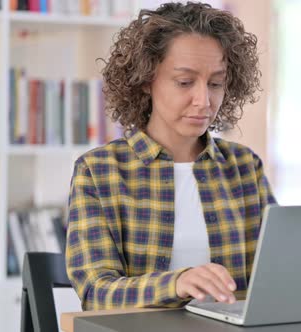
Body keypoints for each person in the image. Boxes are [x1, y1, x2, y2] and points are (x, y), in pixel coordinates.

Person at [65, 1, 276, 311]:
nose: (204, 100)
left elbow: (278, 275)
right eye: (184, 82)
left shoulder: (245, 168)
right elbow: (97, 293)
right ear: (147, 80)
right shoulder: (99, 172)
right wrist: (176, 283)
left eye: (216, 83)